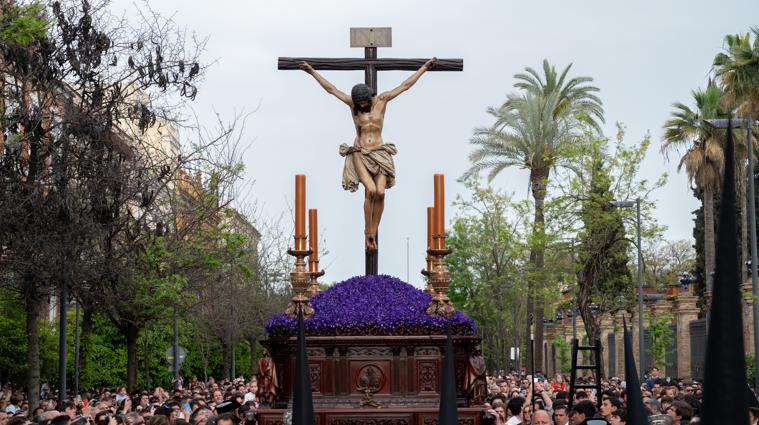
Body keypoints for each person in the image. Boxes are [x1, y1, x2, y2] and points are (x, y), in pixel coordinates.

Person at [299, 57, 438, 251]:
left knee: (380, 193)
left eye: (364, 102)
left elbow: (405, 85)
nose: (361, 105)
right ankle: (368, 233)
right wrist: (312, 71)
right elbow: (331, 89)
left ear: (370, 96)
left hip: (380, 153)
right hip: (361, 153)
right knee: (371, 191)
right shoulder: (353, 106)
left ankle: (374, 231)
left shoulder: (382, 100)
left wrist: (424, 68)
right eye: (359, 103)